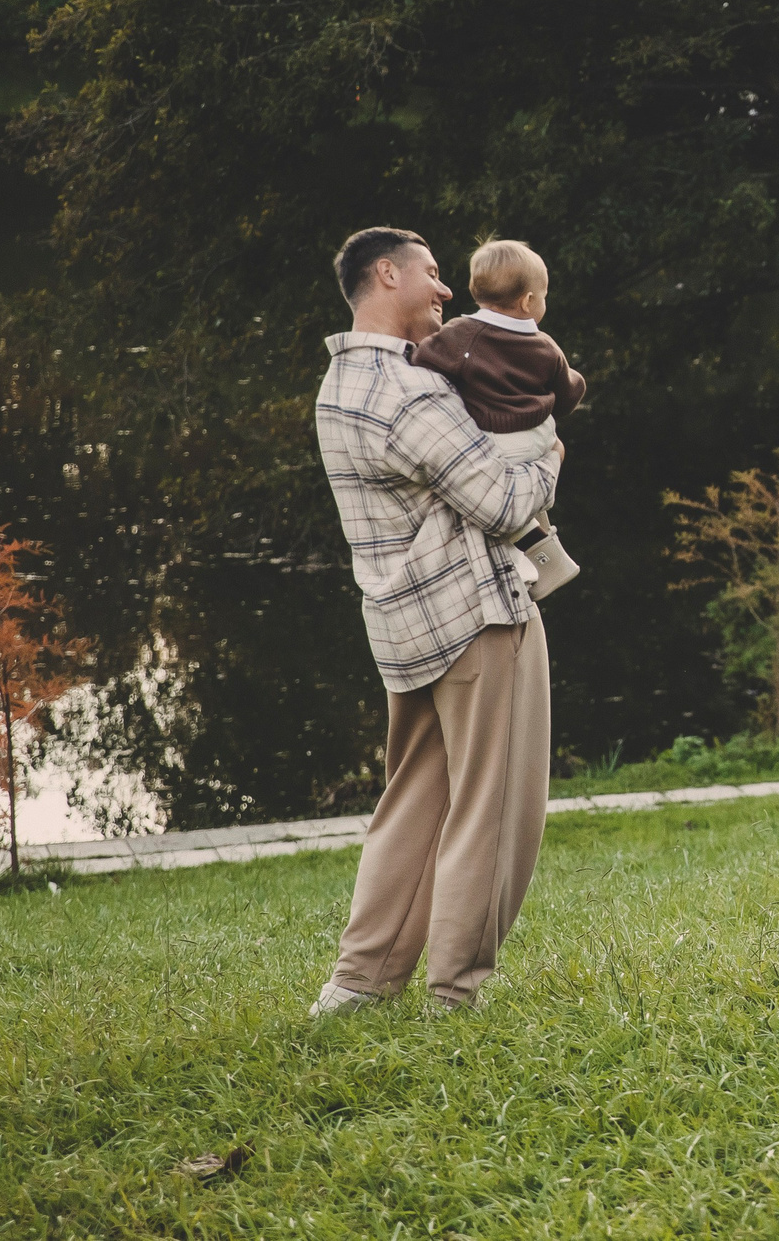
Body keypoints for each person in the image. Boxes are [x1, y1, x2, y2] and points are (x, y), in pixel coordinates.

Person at [308, 226, 563, 1015]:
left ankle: (359, 984)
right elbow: (505, 501)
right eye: (432, 274)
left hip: (401, 624)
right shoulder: (410, 392)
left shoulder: (338, 388)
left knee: (414, 804)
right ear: (387, 275)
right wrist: (549, 450)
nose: (447, 290)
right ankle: (458, 993)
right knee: (493, 809)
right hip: (477, 618)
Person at [411, 238, 585, 539]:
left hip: (490, 441)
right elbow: (567, 396)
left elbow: (422, 359)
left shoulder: (459, 334)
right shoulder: (545, 347)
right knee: (531, 504)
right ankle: (541, 545)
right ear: (528, 301)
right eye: (544, 297)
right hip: (537, 437)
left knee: (497, 506)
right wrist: (576, 379)